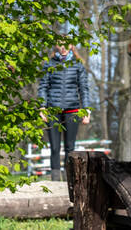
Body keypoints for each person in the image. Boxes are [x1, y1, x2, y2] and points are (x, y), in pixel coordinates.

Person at [38, 44, 90, 181]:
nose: (63, 47)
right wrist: (42, 106)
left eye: (66, 44)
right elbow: (43, 86)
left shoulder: (78, 65)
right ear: (56, 45)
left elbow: (84, 88)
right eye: (60, 44)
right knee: (54, 147)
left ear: (71, 46)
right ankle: (55, 180)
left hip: (72, 110)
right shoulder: (49, 64)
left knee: (70, 147)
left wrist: (86, 110)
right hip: (53, 110)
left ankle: (69, 179)